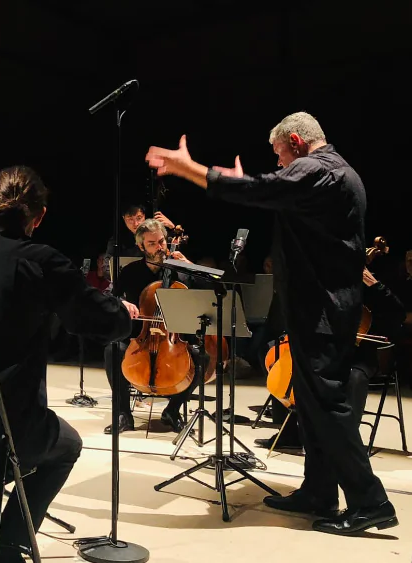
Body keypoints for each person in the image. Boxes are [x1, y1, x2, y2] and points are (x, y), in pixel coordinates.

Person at [146, 111, 397, 535]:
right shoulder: (334, 172)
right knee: (312, 405)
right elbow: (273, 190)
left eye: (280, 155)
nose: (279, 164)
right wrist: (248, 183)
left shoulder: (318, 170)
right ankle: (318, 490)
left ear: (296, 142)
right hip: (318, 307)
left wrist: (192, 170)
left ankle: (370, 500)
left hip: (322, 309)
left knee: (328, 405)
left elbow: (266, 190)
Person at [0, 166, 131, 563]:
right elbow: (99, 321)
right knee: (68, 444)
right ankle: (5, 547)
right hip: (5, 435)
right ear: (40, 217)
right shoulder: (40, 260)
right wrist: (121, 311)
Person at [257, 267, 405, 450]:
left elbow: (398, 313)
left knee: (354, 377)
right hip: (323, 349)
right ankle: (291, 432)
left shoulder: (372, 286)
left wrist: (375, 285)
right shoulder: (325, 278)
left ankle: (346, 440)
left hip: (359, 354)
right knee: (279, 356)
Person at [102, 218, 202, 434]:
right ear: (141, 247)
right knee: (112, 350)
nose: (160, 247)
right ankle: (123, 414)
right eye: (152, 244)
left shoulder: (181, 271)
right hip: (139, 337)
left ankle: (172, 411)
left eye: (162, 242)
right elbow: (109, 295)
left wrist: (190, 266)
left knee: (202, 357)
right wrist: (122, 302)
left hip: (173, 339)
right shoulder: (130, 271)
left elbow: (209, 291)